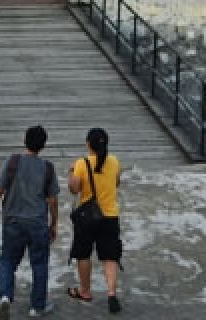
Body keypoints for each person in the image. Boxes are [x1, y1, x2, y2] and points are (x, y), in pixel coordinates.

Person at [0, 125, 60, 318]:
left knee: (8, 260)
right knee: (39, 264)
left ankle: (6, 296)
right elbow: (53, 200)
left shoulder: (12, 161)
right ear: (44, 146)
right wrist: (54, 223)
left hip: (13, 222)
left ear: (24, 141)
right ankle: (37, 306)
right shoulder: (48, 168)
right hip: (38, 223)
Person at [67, 127, 123, 313]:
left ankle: (84, 291)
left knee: (83, 254)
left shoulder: (81, 163)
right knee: (110, 256)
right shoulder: (114, 161)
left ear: (88, 144)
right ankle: (111, 293)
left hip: (88, 218)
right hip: (110, 216)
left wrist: (71, 173)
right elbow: (116, 183)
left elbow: (74, 190)